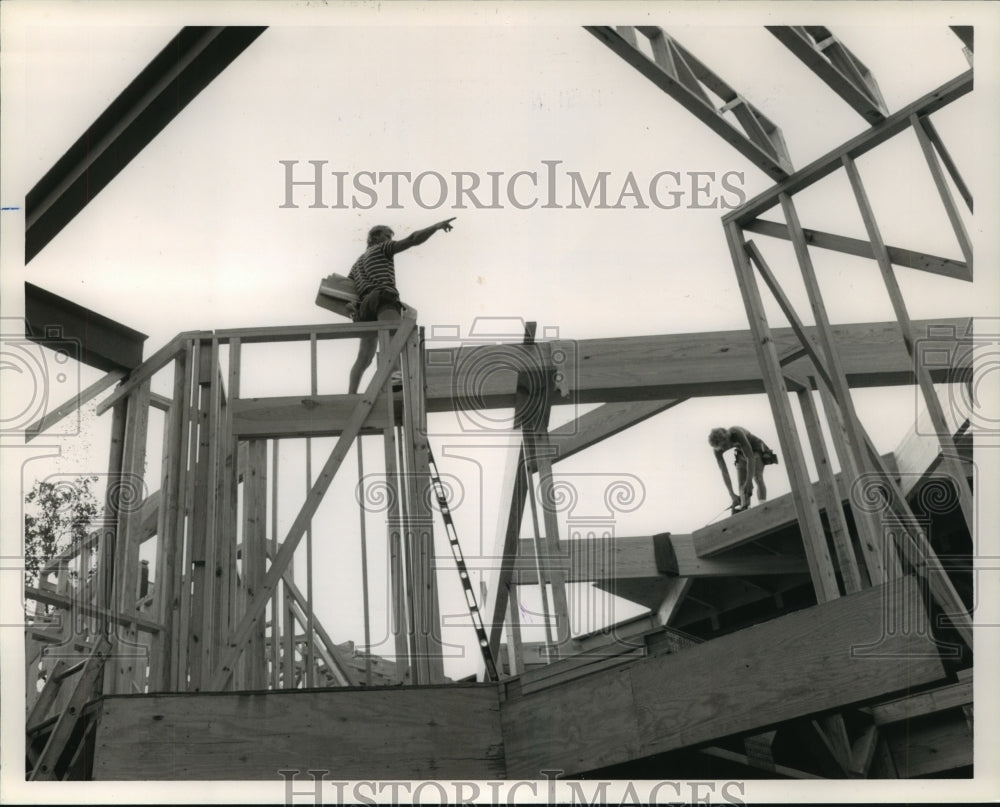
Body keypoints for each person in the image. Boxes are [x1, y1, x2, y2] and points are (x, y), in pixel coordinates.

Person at [346, 218, 455, 394]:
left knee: (364, 357)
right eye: (387, 235)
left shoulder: (356, 264)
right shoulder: (382, 249)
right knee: (393, 338)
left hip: (365, 308)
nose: (390, 239)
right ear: (375, 237)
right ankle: (394, 376)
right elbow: (412, 239)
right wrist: (435, 226)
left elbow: (348, 292)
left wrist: (353, 311)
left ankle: (351, 394)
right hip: (383, 297)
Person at [708, 426, 777, 513]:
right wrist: (732, 494)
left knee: (757, 477)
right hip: (741, 452)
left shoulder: (736, 433)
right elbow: (724, 472)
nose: (726, 448)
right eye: (722, 447)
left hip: (755, 448)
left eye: (725, 444)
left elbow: (750, 457)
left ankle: (762, 505)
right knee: (741, 483)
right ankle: (745, 508)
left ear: (727, 437)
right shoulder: (717, 450)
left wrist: (749, 481)